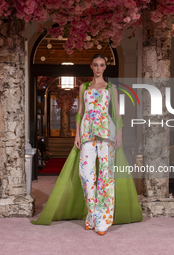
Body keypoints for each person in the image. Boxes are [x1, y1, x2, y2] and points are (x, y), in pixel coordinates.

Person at [31, 54, 142, 234]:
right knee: (86, 175)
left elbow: (117, 113)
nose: (99, 68)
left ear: (105, 67)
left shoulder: (111, 88)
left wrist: (119, 133)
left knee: (106, 176)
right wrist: (77, 134)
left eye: (102, 65)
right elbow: (80, 113)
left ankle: (102, 221)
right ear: (91, 66)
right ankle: (92, 214)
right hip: (88, 133)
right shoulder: (84, 87)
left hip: (107, 133)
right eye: (96, 65)